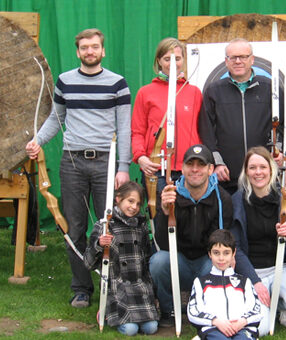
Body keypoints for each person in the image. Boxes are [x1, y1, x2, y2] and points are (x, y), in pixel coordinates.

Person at [25, 28, 131, 308]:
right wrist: (37, 141)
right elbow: (54, 119)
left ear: (103, 51)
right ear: (78, 52)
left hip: (106, 164)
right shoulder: (65, 82)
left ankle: (115, 287)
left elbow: (124, 127)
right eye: (84, 47)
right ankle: (81, 288)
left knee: (109, 226)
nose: (90, 52)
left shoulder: (117, 84)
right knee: (74, 228)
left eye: (95, 47)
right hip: (72, 163)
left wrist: (123, 167)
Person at [230, 146, 286, 336]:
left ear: (271, 169)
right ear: (246, 171)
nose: (258, 172)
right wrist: (254, 281)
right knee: (259, 328)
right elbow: (235, 248)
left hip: (281, 268)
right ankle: (266, 308)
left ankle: (280, 305)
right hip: (251, 270)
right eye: (252, 168)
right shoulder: (237, 201)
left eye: (263, 167)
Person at [149, 144, 233, 327]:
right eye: (190, 164)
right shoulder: (170, 195)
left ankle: (207, 311)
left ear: (210, 169)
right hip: (179, 262)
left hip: (206, 262)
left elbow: (222, 241)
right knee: (159, 261)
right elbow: (163, 243)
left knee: (223, 263)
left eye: (201, 165)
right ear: (183, 168)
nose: (195, 169)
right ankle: (168, 309)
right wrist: (165, 212)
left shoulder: (222, 199)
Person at [199, 38, 283, 194]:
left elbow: (283, 125)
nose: (238, 61)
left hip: (263, 175)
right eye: (233, 57)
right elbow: (207, 131)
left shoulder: (270, 88)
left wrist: (278, 150)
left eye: (243, 57)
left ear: (252, 59)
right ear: (226, 61)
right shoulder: (214, 91)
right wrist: (217, 163)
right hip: (227, 176)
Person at [83, 182, 158, 336]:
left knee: (151, 328)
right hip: (118, 288)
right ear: (118, 199)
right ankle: (104, 312)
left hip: (140, 286)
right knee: (130, 330)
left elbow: (147, 258)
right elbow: (88, 263)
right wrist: (99, 244)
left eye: (138, 203)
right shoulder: (104, 225)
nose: (134, 207)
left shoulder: (141, 225)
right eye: (130, 201)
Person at [132, 37, 202, 199]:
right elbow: (137, 131)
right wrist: (140, 157)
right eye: (167, 59)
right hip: (157, 168)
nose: (172, 63)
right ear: (159, 61)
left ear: (183, 60)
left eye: (177, 58)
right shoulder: (145, 92)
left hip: (190, 168)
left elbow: (202, 130)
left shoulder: (194, 93)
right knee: (161, 219)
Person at [188, 229, 262, 340]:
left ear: (234, 253)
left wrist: (242, 322)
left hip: (241, 328)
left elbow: (257, 310)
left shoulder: (244, 281)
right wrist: (215, 321)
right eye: (216, 253)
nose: (221, 258)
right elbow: (193, 312)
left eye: (226, 253)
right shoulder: (200, 282)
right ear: (209, 254)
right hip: (213, 329)